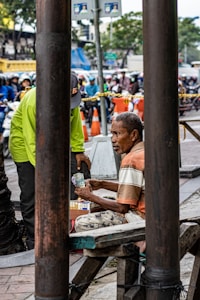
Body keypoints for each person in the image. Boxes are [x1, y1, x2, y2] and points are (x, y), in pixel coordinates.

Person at [9, 73, 91, 250]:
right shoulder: (33, 100)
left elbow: (75, 126)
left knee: (77, 173)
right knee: (31, 192)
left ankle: (74, 229)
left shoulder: (70, 99)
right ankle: (34, 239)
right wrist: (44, 171)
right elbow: (31, 140)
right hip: (25, 145)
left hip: (54, 141)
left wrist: (78, 151)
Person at [74, 112, 145, 251]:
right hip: (149, 211)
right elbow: (133, 188)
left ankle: (130, 246)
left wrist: (90, 196)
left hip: (141, 219)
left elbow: (122, 208)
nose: (113, 139)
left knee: (81, 222)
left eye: (117, 134)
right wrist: (102, 184)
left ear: (133, 135)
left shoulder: (131, 160)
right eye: (112, 134)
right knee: (98, 202)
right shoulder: (143, 151)